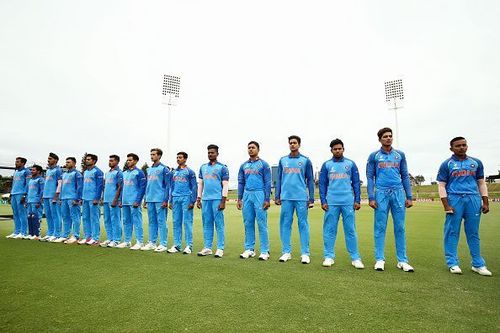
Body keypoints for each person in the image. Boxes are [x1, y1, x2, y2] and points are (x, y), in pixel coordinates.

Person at [437, 137, 492, 276]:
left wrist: (485, 201)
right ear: (452, 148)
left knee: (473, 232)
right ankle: (453, 263)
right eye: (458, 146)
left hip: (473, 199)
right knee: (452, 231)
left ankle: (478, 264)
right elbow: (441, 185)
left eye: (464, 145)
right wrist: (446, 204)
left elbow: (481, 183)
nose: (461, 147)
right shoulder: (447, 164)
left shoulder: (476, 163)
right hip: (454, 198)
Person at [366, 127, 414, 272]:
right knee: (380, 227)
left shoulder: (400, 155)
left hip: (398, 193)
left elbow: (405, 175)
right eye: (385, 136)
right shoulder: (374, 156)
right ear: (380, 139)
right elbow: (370, 177)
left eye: (390, 136)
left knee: (400, 227)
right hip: (381, 193)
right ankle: (379, 259)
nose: (388, 138)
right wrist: (371, 197)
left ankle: (402, 260)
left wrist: (409, 196)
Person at [319, 139, 364, 269]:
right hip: (331, 202)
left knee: (350, 229)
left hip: (348, 202)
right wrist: (323, 200)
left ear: (343, 149)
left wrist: (357, 200)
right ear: (331, 150)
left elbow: (356, 183)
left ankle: (355, 258)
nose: (337, 150)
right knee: (329, 230)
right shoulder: (327, 165)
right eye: (335, 149)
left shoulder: (350, 164)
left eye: (340, 148)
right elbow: (322, 184)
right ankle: (328, 256)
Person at [275, 135, 315, 264]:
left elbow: (310, 180)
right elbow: (279, 179)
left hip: (301, 197)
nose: (292, 144)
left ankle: (305, 253)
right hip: (286, 197)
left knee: (303, 224)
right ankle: (286, 252)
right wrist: (277, 195)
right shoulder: (282, 160)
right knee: (285, 224)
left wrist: (312, 198)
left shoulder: (305, 160)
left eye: (295, 143)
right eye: (290, 143)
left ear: (299, 144)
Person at [237, 141, 271, 261]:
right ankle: (249, 249)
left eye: (253, 148)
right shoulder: (243, 166)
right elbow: (241, 182)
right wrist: (239, 198)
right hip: (247, 194)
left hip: (259, 194)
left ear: (258, 149)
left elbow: (267, 182)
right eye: (249, 148)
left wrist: (267, 199)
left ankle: (265, 251)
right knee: (248, 222)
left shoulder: (264, 164)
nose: (251, 149)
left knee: (261, 223)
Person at [196, 144, 229, 258]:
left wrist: (223, 201)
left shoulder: (222, 167)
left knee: (219, 224)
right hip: (206, 200)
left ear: (217, 154)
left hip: (217, 199)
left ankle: (220, 248)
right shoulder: (203, 167)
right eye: (209, 152)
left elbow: (225, 185)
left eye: (212, 152)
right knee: (207, 224)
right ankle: (207, 247)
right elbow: (200, 184)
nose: (210, 154)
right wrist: (199, 198)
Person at [142, 148, 171, 252]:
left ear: (159, 156)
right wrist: (145, 199)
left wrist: (165, 200)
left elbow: (168, 186)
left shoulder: (164, 169)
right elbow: (147, 185)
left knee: (161, 221)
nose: (152, 156)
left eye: (154, 154)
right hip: (150, 199)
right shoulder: (148, 170)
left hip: (160, 199)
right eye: (151, 154)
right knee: (151, 221)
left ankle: (163, 243)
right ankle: (152, 242)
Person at [168, 152, 197, 254]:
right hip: (175, 198)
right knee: (176, 222)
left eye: (180, 157)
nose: (178, 159)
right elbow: (171, 186)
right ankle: (177, 245)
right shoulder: (174, 172)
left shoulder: (190, 172)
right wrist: (170, 200)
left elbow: (194, 186)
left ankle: (189, 245)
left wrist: (193, 201)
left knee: (187, 222)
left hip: (186, 198)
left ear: (185, 159)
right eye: (177, 157)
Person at [116, 153, 146, 250]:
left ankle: (139, 242)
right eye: (127, 160)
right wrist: (120, 200)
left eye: (130, 160)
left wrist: (138, 200)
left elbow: (142, 188)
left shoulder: (139, 173)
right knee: (126, 221)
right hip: (125, 201)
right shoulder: (124, 173)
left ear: (136, 161)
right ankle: (127, 241)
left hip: (134, 202)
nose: (128, 162)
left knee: (137, 221)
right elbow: (121, 188)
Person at [54, 157, 83, 244]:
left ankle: (75, 236)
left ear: (74, 164)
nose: (67, 163)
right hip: (64, 198)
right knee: (65, 217)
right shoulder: (64, 174)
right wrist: (60, 198)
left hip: (72, 198)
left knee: (75, 217)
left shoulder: (77, 174)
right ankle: (65, 235)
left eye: (69, 162)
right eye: (66, 162)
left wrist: (77, 199)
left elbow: (80, 187)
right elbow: (61, 187)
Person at [78, 154, 104, 246]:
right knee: (85, 218)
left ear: (94, 161)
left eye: (89, 159)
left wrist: (97, 198)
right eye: (86, 159)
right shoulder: (85, 172)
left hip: (93, 199)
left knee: (94, 219)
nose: (87, 161)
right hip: (85, 198)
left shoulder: (98, 172)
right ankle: (87, 237)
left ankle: (95, 238)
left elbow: (100, 186)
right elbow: (83, 186)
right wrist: (81, 198)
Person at [6, 157, 31, 239]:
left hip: (21, 194)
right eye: (16, 161)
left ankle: (23, 232)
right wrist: (11, 193)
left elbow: (28, 184)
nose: (16, 163)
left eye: (18, 162)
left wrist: (24, 195)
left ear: (23, 163)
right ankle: (16, 231)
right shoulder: (16, 171)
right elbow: (14, 183)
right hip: (14, 194)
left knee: (22, 213)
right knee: (15, 213)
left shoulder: (26, 171)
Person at [102, 155, 123, 248]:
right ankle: (110, 238)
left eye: (112, 161)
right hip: (106, 200)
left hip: (114, 200)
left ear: (117, 162)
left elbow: (120, 186)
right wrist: (103, 198)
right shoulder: (107, 173)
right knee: (107, 220)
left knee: (115, 220)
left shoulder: (119, 173)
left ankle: (116, 240)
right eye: (109, 160)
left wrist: (116, 199)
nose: (109, 162)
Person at [40, 153, 62, 242]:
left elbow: (60, 183)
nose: (48, 160)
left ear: (55, 160)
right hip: (46, 196)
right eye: (48, 158)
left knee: (56, 215)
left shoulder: (58, 170)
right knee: (48, 215)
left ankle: (57, 234)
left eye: (50, 159)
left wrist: (56, 195)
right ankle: (50, 233)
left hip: (53, 196)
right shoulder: (48, 170)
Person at [26, 165, 44, 240]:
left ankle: (37, 234)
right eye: (31, 170)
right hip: (29, 201)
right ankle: (31, 233)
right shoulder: (30, 180)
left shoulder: (40, 180)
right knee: (29, 217)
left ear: (38, 171)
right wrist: (26, 200)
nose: (31, 171)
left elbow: (42, 191)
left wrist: (39, 201)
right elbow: (28, 191)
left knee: (36, 217)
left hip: (36, 201)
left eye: (33, 170)